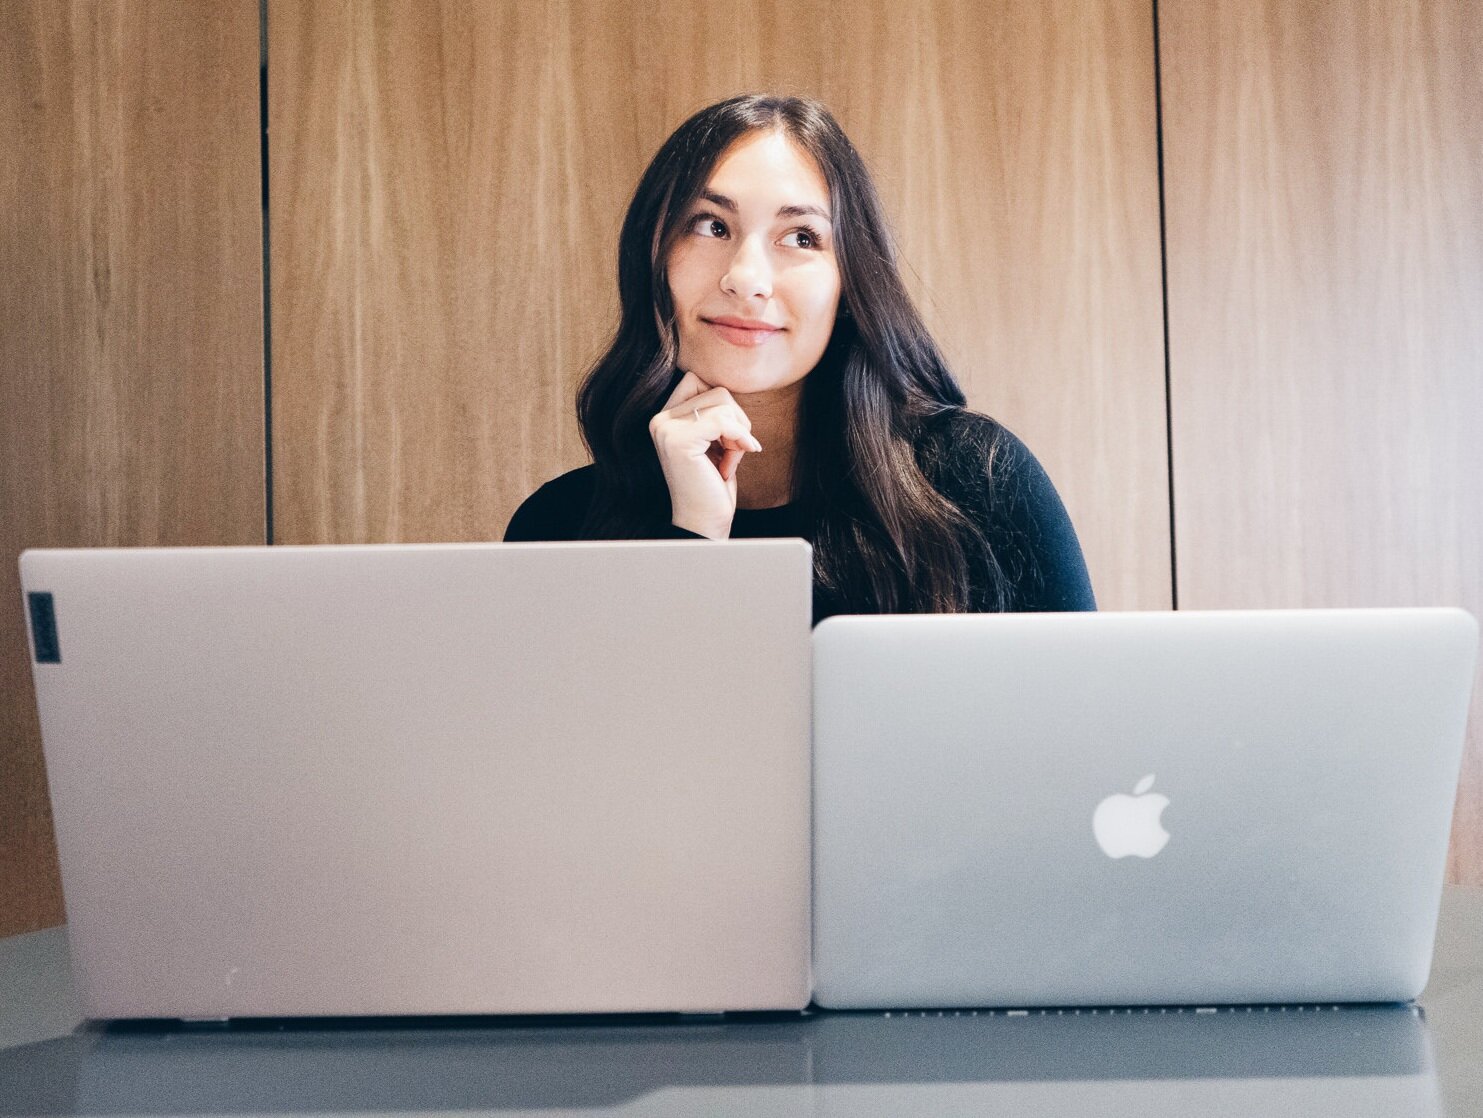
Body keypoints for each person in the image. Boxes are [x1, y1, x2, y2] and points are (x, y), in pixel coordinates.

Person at [505, 93, 1096, 624]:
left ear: (850, 286)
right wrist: (691, 535)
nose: (747, 279)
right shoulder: (557, 529)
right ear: (652, 256)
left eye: (802, 238)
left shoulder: (978, 487)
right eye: (711, 225)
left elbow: (1079, 731)